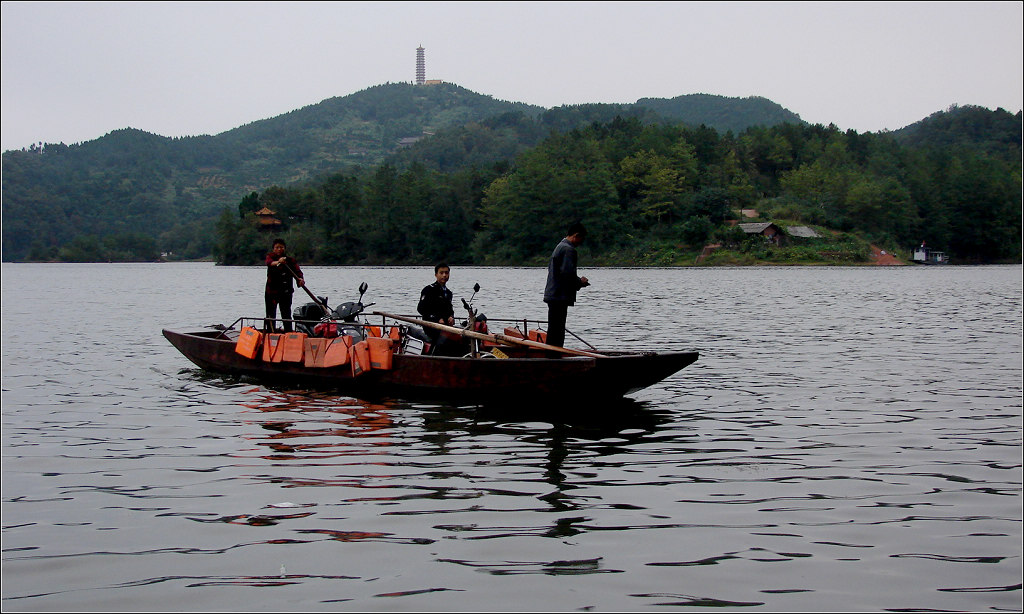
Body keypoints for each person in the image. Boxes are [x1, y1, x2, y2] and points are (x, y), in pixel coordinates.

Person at [543, 222, 590, 351]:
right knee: (557, 330)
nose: (580, 243)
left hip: (553, 294)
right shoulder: (569, 250)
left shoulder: (559, 246)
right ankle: (554, 357)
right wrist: (580, 282)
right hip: (559, 295)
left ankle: (551, 355)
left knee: (554, 328)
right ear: (576, 235)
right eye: (581, 239)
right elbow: (567, 274)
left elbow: (560, 272)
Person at [264, 238, 304, 333]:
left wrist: (300, 280)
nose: (279, 249)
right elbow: (269, 263)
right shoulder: (270, 257)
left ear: (284, 248)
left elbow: (298, 272)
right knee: (270, 314)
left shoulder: (290, 261)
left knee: (286, 314)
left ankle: (288, 334)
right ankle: (270, 334)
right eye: (277, 247)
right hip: (271, 292)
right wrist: (278, 262)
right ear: (273, 249)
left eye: (281, 247)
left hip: (286, 293)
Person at [417, 263, 457, 355]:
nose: (444, 275)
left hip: (445, 326)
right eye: (441, 273)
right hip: (431, 325)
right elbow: (421, 309)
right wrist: (436, 319)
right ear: (436, 275)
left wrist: (451, 317)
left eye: (446, 273)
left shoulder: (448, 293)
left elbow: (449, 309)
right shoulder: (429, 290)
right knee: (441, 340)